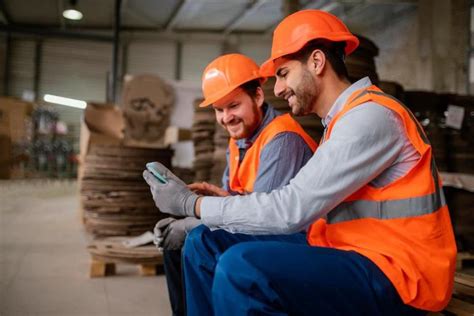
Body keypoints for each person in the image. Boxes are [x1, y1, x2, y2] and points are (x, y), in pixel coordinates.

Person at [143, 10, 456, 315]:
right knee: (205, 243)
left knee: (242, 268)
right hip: (353, 252)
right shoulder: (340, 122)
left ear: (317, 62)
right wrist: (209, 210)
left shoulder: (370, 118)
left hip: (403, 275)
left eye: (283, 74)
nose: (278, 89)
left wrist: (192, 205)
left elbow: (290, 210)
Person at [151, 53, 317, 316]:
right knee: (177, 245)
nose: (226, 117)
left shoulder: (282, 139)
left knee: (200, 239)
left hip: (300, 237)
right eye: (219, 110)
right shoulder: (240, 139)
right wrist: (208, 203)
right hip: (265, 225)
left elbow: (266, 218)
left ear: (258, 97)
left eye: (233, 106)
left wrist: (194, 219)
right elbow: (243, 197)